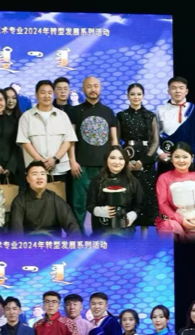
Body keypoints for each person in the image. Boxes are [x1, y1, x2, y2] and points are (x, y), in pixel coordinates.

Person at [68, 76, 118, 229]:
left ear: (100, 88)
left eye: (96, 86)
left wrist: (114, 162)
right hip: (81, 167)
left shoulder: (108, 112)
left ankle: (101, 235)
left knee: (103, 204)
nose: (93, 89)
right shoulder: (75, 111)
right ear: (83, 89)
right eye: (89, 86)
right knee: (79, 205)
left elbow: (114, 140)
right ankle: (79, 237)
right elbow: (70, 139)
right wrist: (72, 161)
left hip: (104, 167)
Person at [17, 80, 77, 203]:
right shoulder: (26, 116)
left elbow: (68, 140)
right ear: (36, 95)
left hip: (59, 169)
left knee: (60, 204)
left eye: (50, 93)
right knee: (36, 204)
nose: (46, 96)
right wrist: (40, 161)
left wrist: (55, 159)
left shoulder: (62, 116)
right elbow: (24, 141)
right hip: (35, 171)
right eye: (43, 92)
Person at [116, 83, 160, 233]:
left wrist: (144, 160)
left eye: (139, 94)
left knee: (146, 197)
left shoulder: (150, 115)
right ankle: (127, 234)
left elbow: (155, 141)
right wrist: (125, 161)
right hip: (127, 159)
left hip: (146, 160)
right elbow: (116, 141)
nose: (136, 97)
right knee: (129, 195)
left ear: (143, 96)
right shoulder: (121, 115)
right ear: (128, 96)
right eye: (133, 94)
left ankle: (145, 238)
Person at [155, 142, 195, 239]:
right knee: (173, 228)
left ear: (192, 158)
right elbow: (163, 204)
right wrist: (180, 220)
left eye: (185, 157)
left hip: (193, 221)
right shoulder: (163, 178)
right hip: (170, 222)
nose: (181, 160)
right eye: (177, 157)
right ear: (171, 158)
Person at [155, 76, 195, 175]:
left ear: (186, 91)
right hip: (166, 162)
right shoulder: (160, 111)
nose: (177, 91)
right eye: (174, 88)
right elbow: (153, 136)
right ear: (168, 91)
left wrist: (192, 158)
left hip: (190, 163)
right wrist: (160, 153)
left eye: (181, 88)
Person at [9, 161, 80, 236]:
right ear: (27, 179)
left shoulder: (55, 199)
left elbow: (72, 225)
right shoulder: (19, 201)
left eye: (43, 174)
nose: (39, 177)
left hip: (52, 241)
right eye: (35, 174)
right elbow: (16, 231)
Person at [86, 146, 143, 237]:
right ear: (106, 160)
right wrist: (101, 211)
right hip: (101, 229)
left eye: (121, 159)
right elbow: (89, 205)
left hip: (125, 230)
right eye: (112, 158)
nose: (117, 162)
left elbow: (139, 206)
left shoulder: (133, 182)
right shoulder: (97, 181)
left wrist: (130, 217)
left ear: (126, 161)